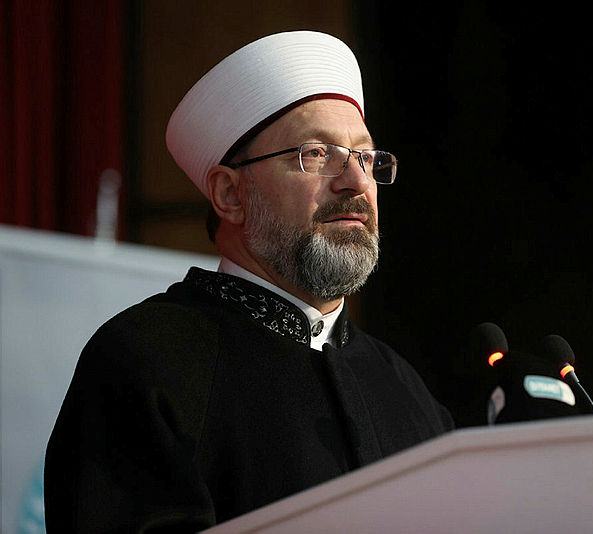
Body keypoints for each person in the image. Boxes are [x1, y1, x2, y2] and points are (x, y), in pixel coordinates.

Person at [44, 30, 453, 531]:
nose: (356, 182)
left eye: (366, 158)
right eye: (317, 154)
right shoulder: (146, 360)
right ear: (230, 195)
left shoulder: (403, 386)